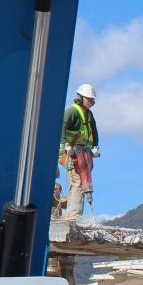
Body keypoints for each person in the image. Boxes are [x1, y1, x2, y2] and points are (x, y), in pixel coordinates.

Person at [61, 82, 99, 220]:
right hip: (71, 154)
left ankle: (74, 214)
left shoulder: (88, 115)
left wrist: (95, 147)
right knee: (77, 181)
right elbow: (61, 128)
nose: (91, 102)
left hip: (83, 153)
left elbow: (93, 132)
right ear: (81, 97)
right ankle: (73, 216)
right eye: (89, 99)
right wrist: (65, 146)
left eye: (92, 100)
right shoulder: (72, 111)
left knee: (84, 181)